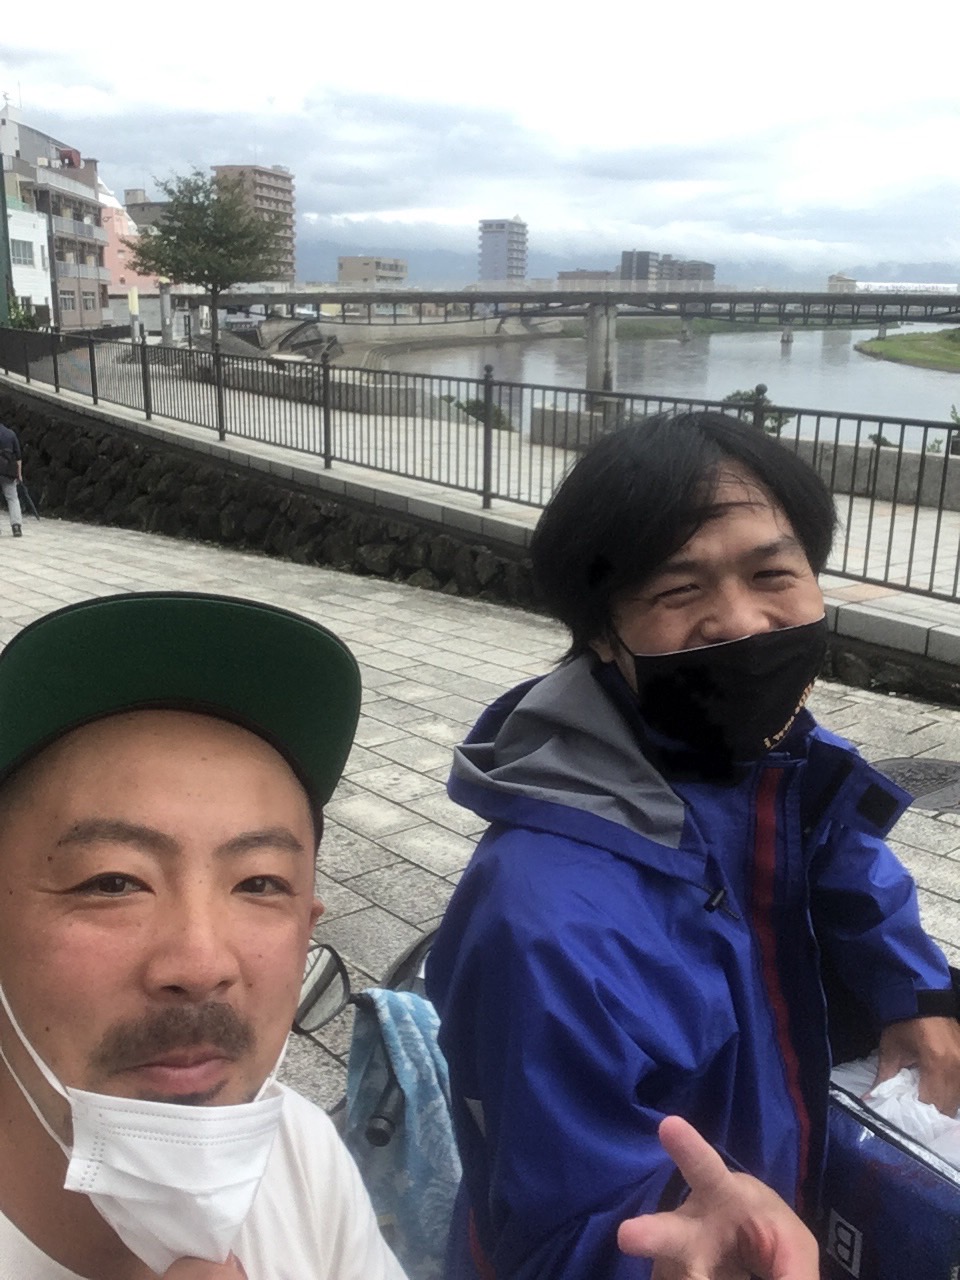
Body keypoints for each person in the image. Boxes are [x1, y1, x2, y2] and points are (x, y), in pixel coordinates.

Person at [425, 412, 960, 1279]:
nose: (741, 622)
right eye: (680, 591)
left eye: (772, 573)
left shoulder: (776, 762)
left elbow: (841, 858)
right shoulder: (543, 921)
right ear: (605, 633)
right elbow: (554, 1232)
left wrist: (916, 990)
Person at [0, 591, 407, 1280]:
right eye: (113, 882)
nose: (199, 962)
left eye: (260, 883)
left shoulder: (303, 1154)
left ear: (307, 929)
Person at [0, 417, 23, 537]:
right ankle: (16, 526)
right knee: (12, 498)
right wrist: (19, 474)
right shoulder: (11, 434)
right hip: (8, 470)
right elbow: (18, 457)